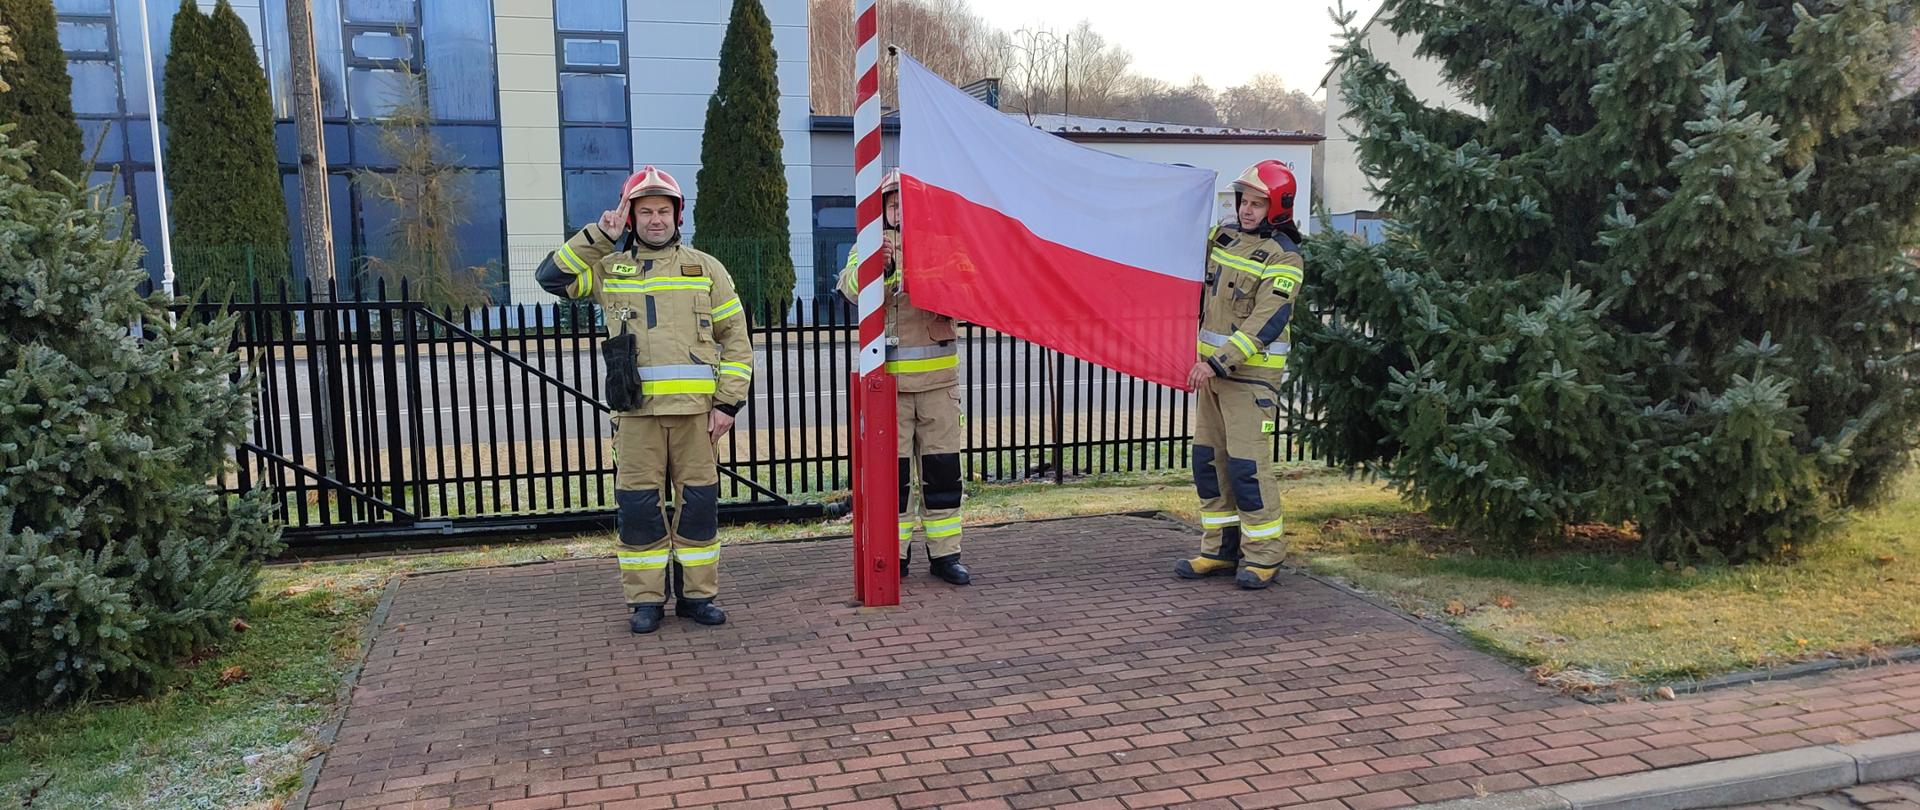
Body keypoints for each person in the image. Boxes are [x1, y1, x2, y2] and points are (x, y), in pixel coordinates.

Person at [535, 166, 755, 632]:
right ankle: (646, 602)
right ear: (630, 218)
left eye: (663, 210)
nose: (656, 220)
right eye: (645, 211)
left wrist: (728, 404)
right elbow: (552, 279)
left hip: (698, 419)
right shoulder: (608, 269)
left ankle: (698, 598)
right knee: (638, 511)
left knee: (698, 509)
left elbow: (736, 338)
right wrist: (599, 235)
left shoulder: (706, 268)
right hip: (635, 419)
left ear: (678, 215)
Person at [1175, 160, 1306, 590]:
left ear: (1278, 207)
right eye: (1243, 201)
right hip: (1211, 378)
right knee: (1209, 466)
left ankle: (1265, 556)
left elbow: (1266, 322)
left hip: (1248, 380)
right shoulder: (1223, 239)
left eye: (1257, 203)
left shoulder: (1285, 256)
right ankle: (1218, 550)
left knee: (1248, 469)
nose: (1246, 210)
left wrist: (1217, 362)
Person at [837, 169, 971, 586]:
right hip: (889, 390)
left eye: (906, 203)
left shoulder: (946, 246)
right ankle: (893, 556)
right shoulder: (869, 246)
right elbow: (850, 288)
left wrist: (920, 270)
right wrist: (883, 266)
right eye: (893, 203)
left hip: (938, 388)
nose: (899, 210)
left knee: (943, 475)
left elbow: (968, 296)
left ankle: (946, 555)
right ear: (883, 209)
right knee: (891, 481)